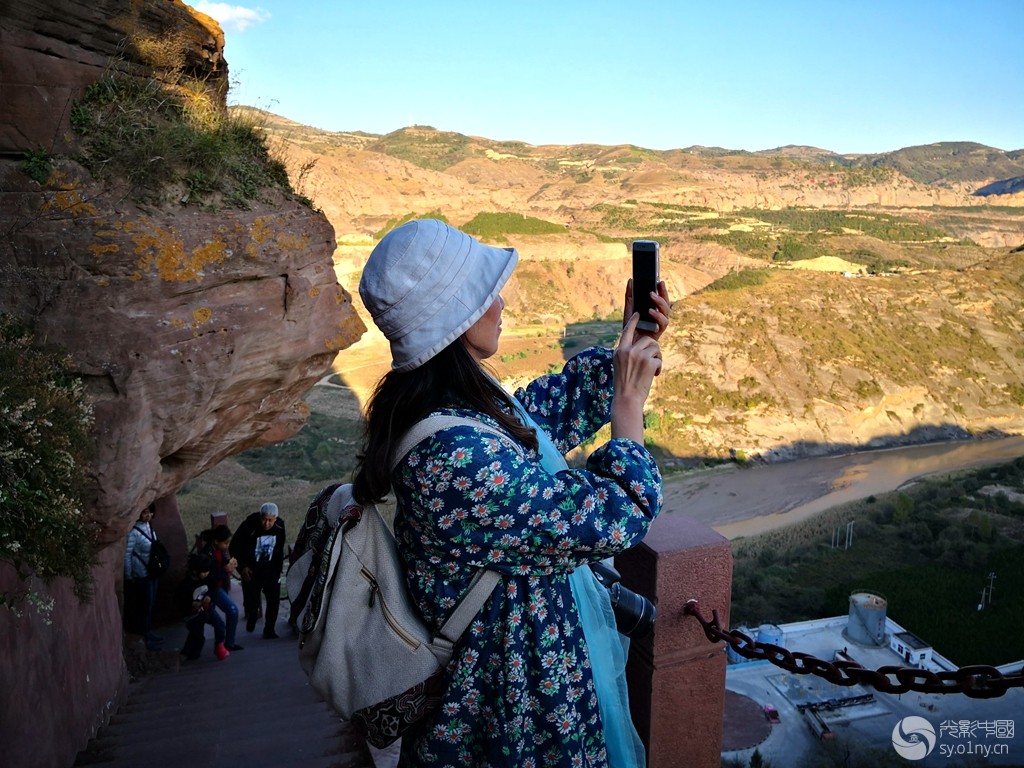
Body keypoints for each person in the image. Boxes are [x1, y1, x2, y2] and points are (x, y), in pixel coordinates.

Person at [352, 219, 670, 767]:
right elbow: (615, 516)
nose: (501, 303)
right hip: (513, 717)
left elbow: (540, 420)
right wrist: (627, 409)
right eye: (486, 294)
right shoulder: (452, 459)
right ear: (456, 317)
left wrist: (631, 344)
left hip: (521, 694)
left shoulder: (453, 406)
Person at [231, 501, 287, 639]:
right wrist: (242, 567)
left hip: (271, 570)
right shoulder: (249, 526)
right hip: (251, 570)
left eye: (270, 520)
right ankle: (252, 616)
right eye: (264, 519)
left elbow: (279, 548)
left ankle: (269, 629)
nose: (266, 524)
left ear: (275, 519)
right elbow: (234, 546)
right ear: (260, 517)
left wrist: (278, 569)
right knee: (252, 601)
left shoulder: (279, 527)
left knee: (273, 601)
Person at [176, 553, 231, 661]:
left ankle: (219, 645)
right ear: (195, 571)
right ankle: (190, 654)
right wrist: (191, 603)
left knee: (220, 625)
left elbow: (214, 589)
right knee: (197, 636)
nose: (207, 573)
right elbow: (178, 600)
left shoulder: (209, 578)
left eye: (208, 571)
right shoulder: (186, 585)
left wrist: (210, 597)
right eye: (204, 571)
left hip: (206, 609)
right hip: (192, 614)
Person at [123, 503, 162, 650]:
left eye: (150, 512)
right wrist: (128, 575)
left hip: (152, 572)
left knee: (150, 604)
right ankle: (144, 635)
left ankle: (148, 632)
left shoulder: (149, 527)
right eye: (145, 512)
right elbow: (127, 555)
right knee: (144, 606)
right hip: (141, 574)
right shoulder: (133, 532)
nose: (148, 515)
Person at [199, 524, 243, 651]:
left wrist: (229, 564)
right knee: (231, 611)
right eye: (225, 543)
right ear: (216, 542)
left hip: (219, 587)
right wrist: (225, 570)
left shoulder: (219, 550)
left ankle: (227, 643)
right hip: (212, 589)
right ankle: (224, 644)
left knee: (222, 616)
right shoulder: (207, 554)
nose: (227, 546)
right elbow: (210, 575)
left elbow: (222, 564)